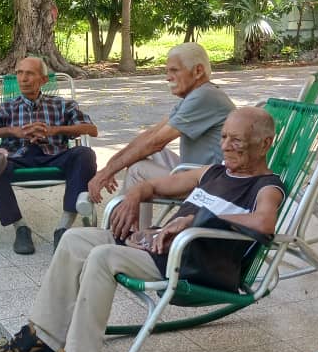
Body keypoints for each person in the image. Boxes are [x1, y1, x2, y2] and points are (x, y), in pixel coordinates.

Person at [0, 107, 284, 352]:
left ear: (264, 144)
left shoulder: (265, 186)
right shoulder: (213, 172)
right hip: (161, 247)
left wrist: (196, 221)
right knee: (74, 239)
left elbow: (264, 223)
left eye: (237, 141)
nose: (226, 146)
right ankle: (43, 339)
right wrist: (134, 196)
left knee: (103, 257)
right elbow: (153, 185)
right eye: (224, 137)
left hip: (193, 263)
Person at [90, 42, 235, 234]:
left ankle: (129, 234)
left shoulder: (205, 97)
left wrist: (107, 172)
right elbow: (150, 135)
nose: (168, 77)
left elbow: (155, 143)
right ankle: (128, 228)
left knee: (138, 170)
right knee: (148, 155)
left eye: (174, 70)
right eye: (167, 71)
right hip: (197, 172)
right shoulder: (196, 95)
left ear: (198, 71)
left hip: (209, 184)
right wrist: (108, 168)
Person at [0, 57, 98, 255]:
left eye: (29, 73)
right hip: (17, 158)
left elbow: (91, 129)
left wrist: (54, 130)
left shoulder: (62, 105)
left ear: (44, 80)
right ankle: (20, 228)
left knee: (85, 154)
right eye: (19, 73)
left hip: (55, 155)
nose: (23, 79)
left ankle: (63, 228)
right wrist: (12, 131)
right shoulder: (7, 107)